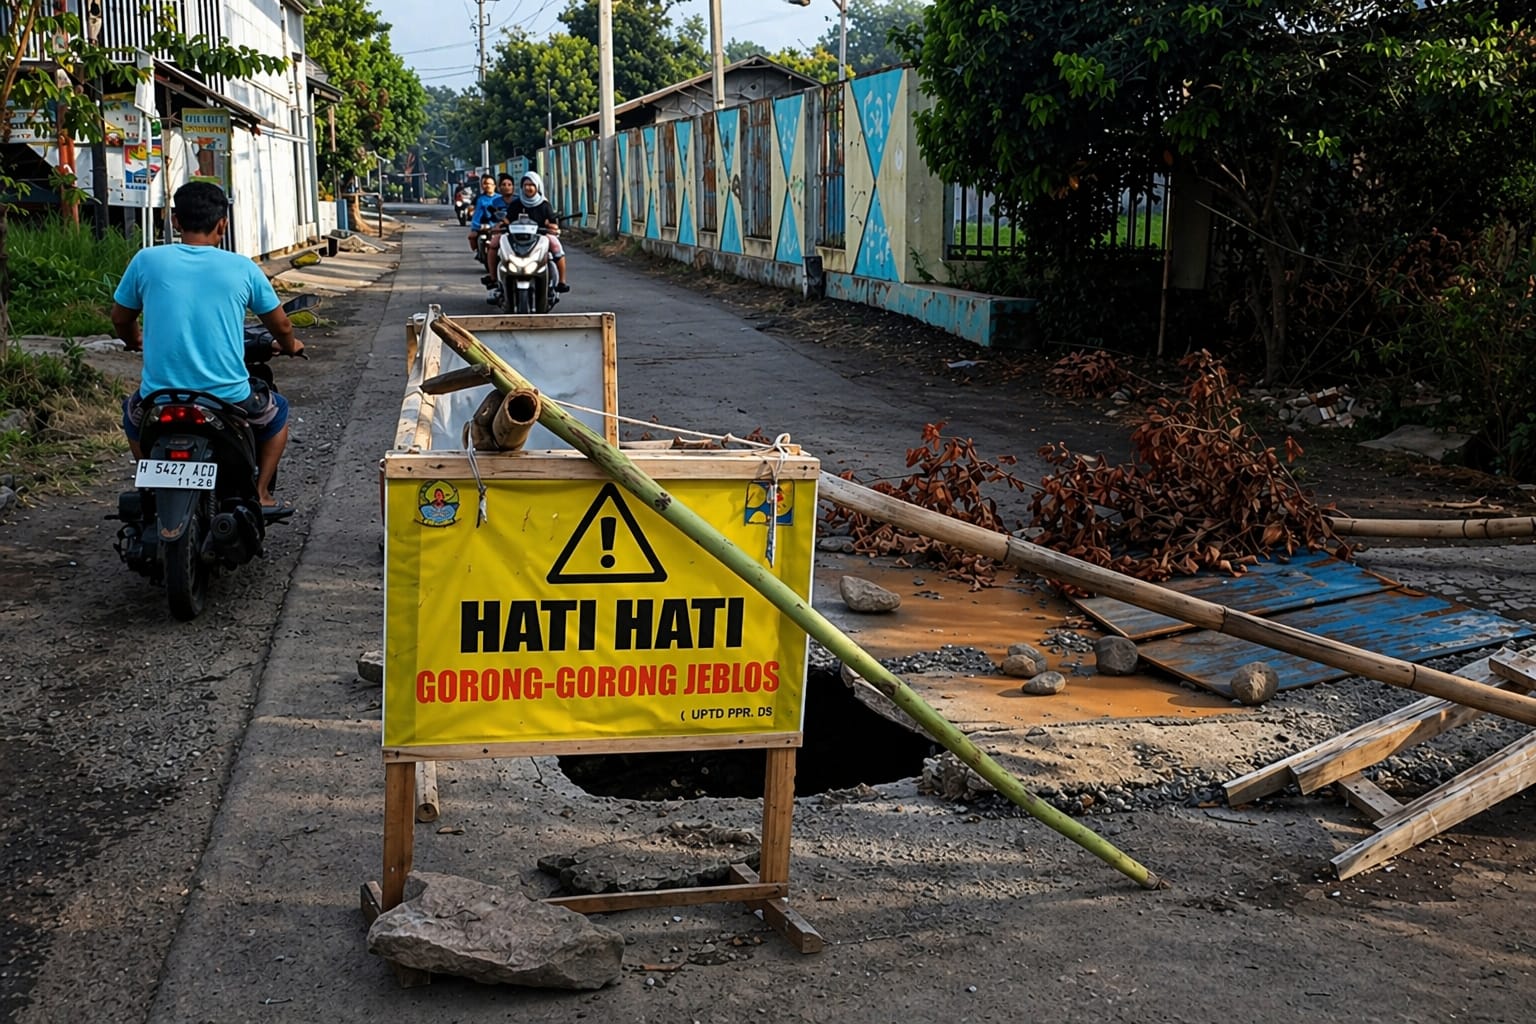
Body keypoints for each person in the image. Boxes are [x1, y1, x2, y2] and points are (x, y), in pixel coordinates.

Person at [109, 180, 304, 510]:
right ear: (222, 225)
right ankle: (260, 493)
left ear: (175, 221)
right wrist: (289, 344)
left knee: (132, 417)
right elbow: (282, 325)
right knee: (277, 414)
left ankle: (153, 486)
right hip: (228, 397)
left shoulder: (146, 260)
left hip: (160, 396)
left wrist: (134, 340)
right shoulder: (242, 267)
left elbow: (120, 318)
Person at [509, 169, 570, 293]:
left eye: (531, 185)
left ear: (537, 186)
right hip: (517, 237)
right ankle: (496, 280)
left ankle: (562, 281)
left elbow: (553, 224)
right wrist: (499, 224)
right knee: (498, 245)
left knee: (556, 247)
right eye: (525, 185)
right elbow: (507, 219)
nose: (528, 188)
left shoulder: (544, 204)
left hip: (541, 236)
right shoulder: (516, 204)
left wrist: (550, 226)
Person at [464, 173, 498, 253]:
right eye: (485, 184)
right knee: (472, 237)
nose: (488, 186)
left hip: (498, 226)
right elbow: (477, 215)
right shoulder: (480, 199)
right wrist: (477, 226)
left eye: (490, 184)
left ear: (494, 185)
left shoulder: (500, 198)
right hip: (484, 226)